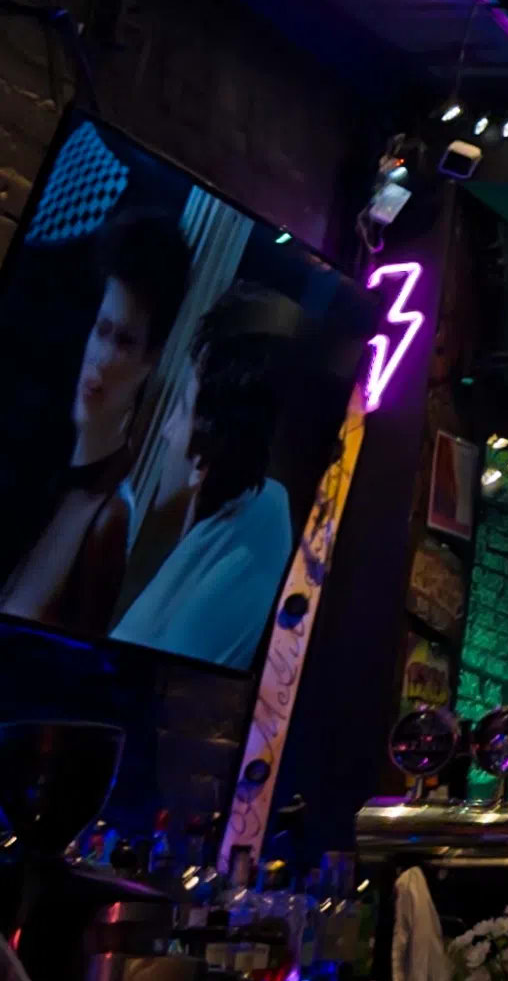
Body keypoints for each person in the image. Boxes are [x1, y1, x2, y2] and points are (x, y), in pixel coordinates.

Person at [0, 212, 192, 634]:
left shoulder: (109, 517)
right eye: (101, 331)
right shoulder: (39, 461)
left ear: (150, 359)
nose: (101, 359)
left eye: (123, 341)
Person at [109, 322, 299, 669]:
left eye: (182, 408)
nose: (167, 431)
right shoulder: (243, 514)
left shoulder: (257, 528)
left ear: (207, 444)